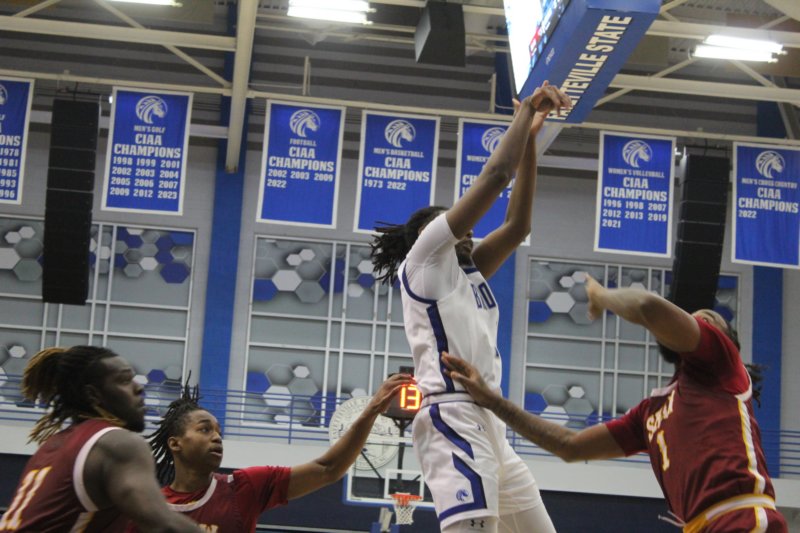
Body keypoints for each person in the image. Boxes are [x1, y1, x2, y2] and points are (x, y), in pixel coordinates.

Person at [370, 81, 571, 533]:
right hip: (453, 414)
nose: (469, 231)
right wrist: (525, 112)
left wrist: (530, 142)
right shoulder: (424, 262)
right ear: (433, 235)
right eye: (458, 225)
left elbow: (517, 226)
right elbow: (495, 176)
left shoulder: (467, 271)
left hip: (491, 421)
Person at [443, 276, 788, 533]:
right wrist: (493, 401)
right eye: (695, 316)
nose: (698, 321)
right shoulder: (651, 411)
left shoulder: (721, 366)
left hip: (741, 517)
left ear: (726, 342)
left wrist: (601, 296)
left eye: (709, 319)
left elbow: (647, 307)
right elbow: (569, 446)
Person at [125, 373, 413, 532]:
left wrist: (372, 410)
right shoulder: (147, 509)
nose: (216, 437)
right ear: (175, 443)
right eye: (204, 429)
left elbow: (328, 469)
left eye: (219, 431)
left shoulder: (243, 488)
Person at [0, 346, 201, 533]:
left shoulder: (51, 446)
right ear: (93, 395)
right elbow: (161, 524)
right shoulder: (116, 443)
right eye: (124, 380)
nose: (138, 388)